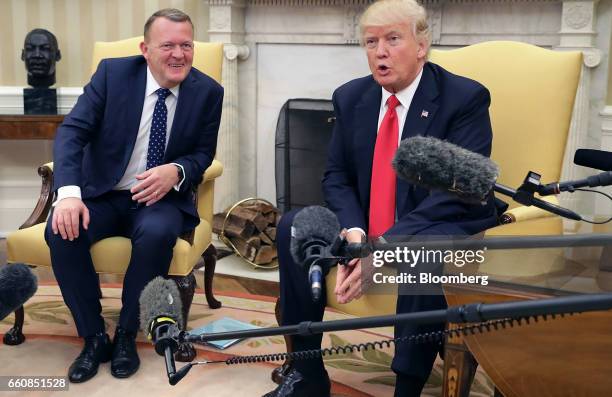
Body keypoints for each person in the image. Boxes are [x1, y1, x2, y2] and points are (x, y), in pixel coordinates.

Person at [265, 0, 498, 396]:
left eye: (393, 39)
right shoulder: (352, 96)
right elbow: (336, 175)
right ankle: (306, 373)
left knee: (426, 249)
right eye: (371, 42)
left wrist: (385, 249)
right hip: (367, 227)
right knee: (294, 226)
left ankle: (406, 385)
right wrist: (356, 234)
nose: (380, 51)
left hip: (430, 224)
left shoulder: (464, 98)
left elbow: (456, 191)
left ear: (422, 45)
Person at [44, 8, 223, 383]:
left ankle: (127, 333)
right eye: (168, 45)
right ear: (146, 48)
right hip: (104, 193)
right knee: (60, 231)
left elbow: (202, 154)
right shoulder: (113, 75)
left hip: (161, 199)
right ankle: (93, 337)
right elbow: (72, 133)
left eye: (186, 45)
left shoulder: (208, 92)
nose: (179, 55)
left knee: (157, 234)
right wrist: (70, 194)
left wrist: (177, 171)